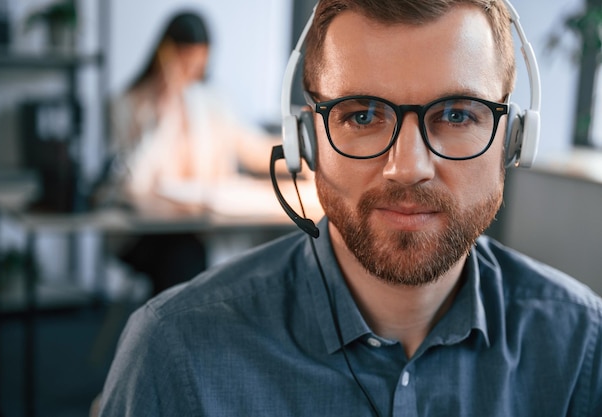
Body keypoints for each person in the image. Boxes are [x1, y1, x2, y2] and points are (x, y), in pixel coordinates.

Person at [97, 1, 602, 416]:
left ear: (514, 139)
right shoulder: (175, 353)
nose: (408, 168)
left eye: (455, 114)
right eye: (362, 115)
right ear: (306, 141)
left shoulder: (582, 347)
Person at [106, 11, 277, 294]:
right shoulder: (127, 104)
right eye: (186, 63)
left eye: (199, 65)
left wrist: (301, 148)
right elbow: (132, 182)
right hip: (145, 233)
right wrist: (163, 111)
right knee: (182, 254)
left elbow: (251, 147)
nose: (194, 73)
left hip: (201, 222)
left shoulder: (211, 100)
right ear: (165, 54)